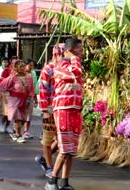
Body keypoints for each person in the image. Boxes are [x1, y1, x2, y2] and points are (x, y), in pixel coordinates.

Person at [45, 38, 84, 190]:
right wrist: (74, 58)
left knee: (71, 150)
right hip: (63, 109)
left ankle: (64, 181)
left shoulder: (74, 63)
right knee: (64, 148)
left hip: (75, 110)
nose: (82, 53)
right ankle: (51, 182)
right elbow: (76, 73)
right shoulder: (61, 65)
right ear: (70, 50)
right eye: (79, 50)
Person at [35, 44, 64, 178]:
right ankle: (49, 166)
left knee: (61, 140)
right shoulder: (48, 69)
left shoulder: (65, 69)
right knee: (47, 139)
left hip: (62, 109)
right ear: (57, 54)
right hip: (51, 109)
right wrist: (45, 109)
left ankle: (43, 159)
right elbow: (43, 89)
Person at [0, 60, 35, 143]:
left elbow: (31, 89)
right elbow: (3, 85)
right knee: (18, 118)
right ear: (16, 68)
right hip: (15, 99)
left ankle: (16, 132)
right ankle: (18, 135)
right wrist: (9, 91)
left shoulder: (29, 77)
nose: (22, 68)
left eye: (23, 66)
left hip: (25, 99)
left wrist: (30, 98)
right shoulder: (13, 77)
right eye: (20, 67)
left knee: (24, 118)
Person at [23, 58, 39, 139]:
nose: (31, 67)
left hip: (31, 96)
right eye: (30, 65)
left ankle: (26, 131)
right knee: (21, 115)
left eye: (33, 65)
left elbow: (35, 85)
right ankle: (18, 130)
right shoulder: (22, 73)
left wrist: (35, 96)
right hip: (22, 97)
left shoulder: (33, 73)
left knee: (29, 115)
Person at [0, 59, 14, 133]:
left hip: (15, 95)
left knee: (12, 113)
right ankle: (1, 125)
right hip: (6, 93)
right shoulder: (6, 71)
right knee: (6, 112)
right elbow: (0, 83)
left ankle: (7, 126)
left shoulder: (19, 72)